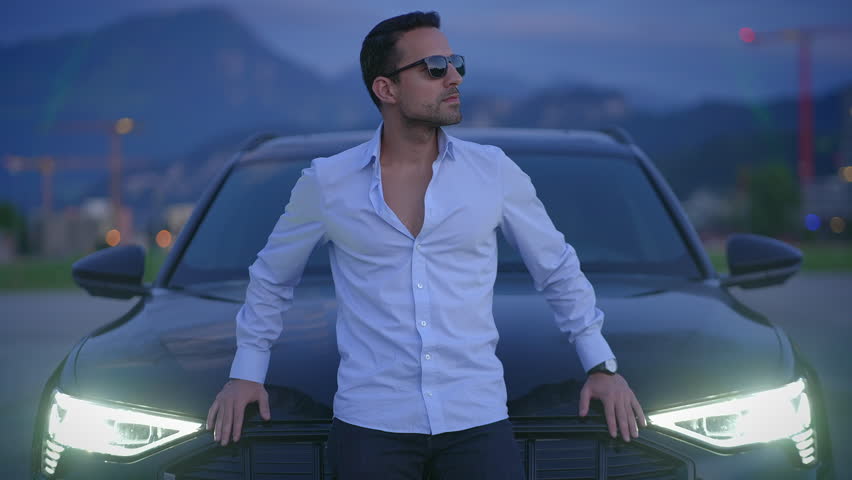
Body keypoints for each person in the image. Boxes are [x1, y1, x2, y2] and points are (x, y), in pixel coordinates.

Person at [206, 10, 646, 479]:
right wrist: (246, 372)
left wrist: (600, 365)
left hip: (477, 419)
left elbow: (556, 269)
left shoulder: (493, 173)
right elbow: (272, 278)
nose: (453, 77)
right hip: (370, 426)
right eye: (434, 68)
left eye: (455, 63)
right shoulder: (327, 183)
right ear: (387, 89)